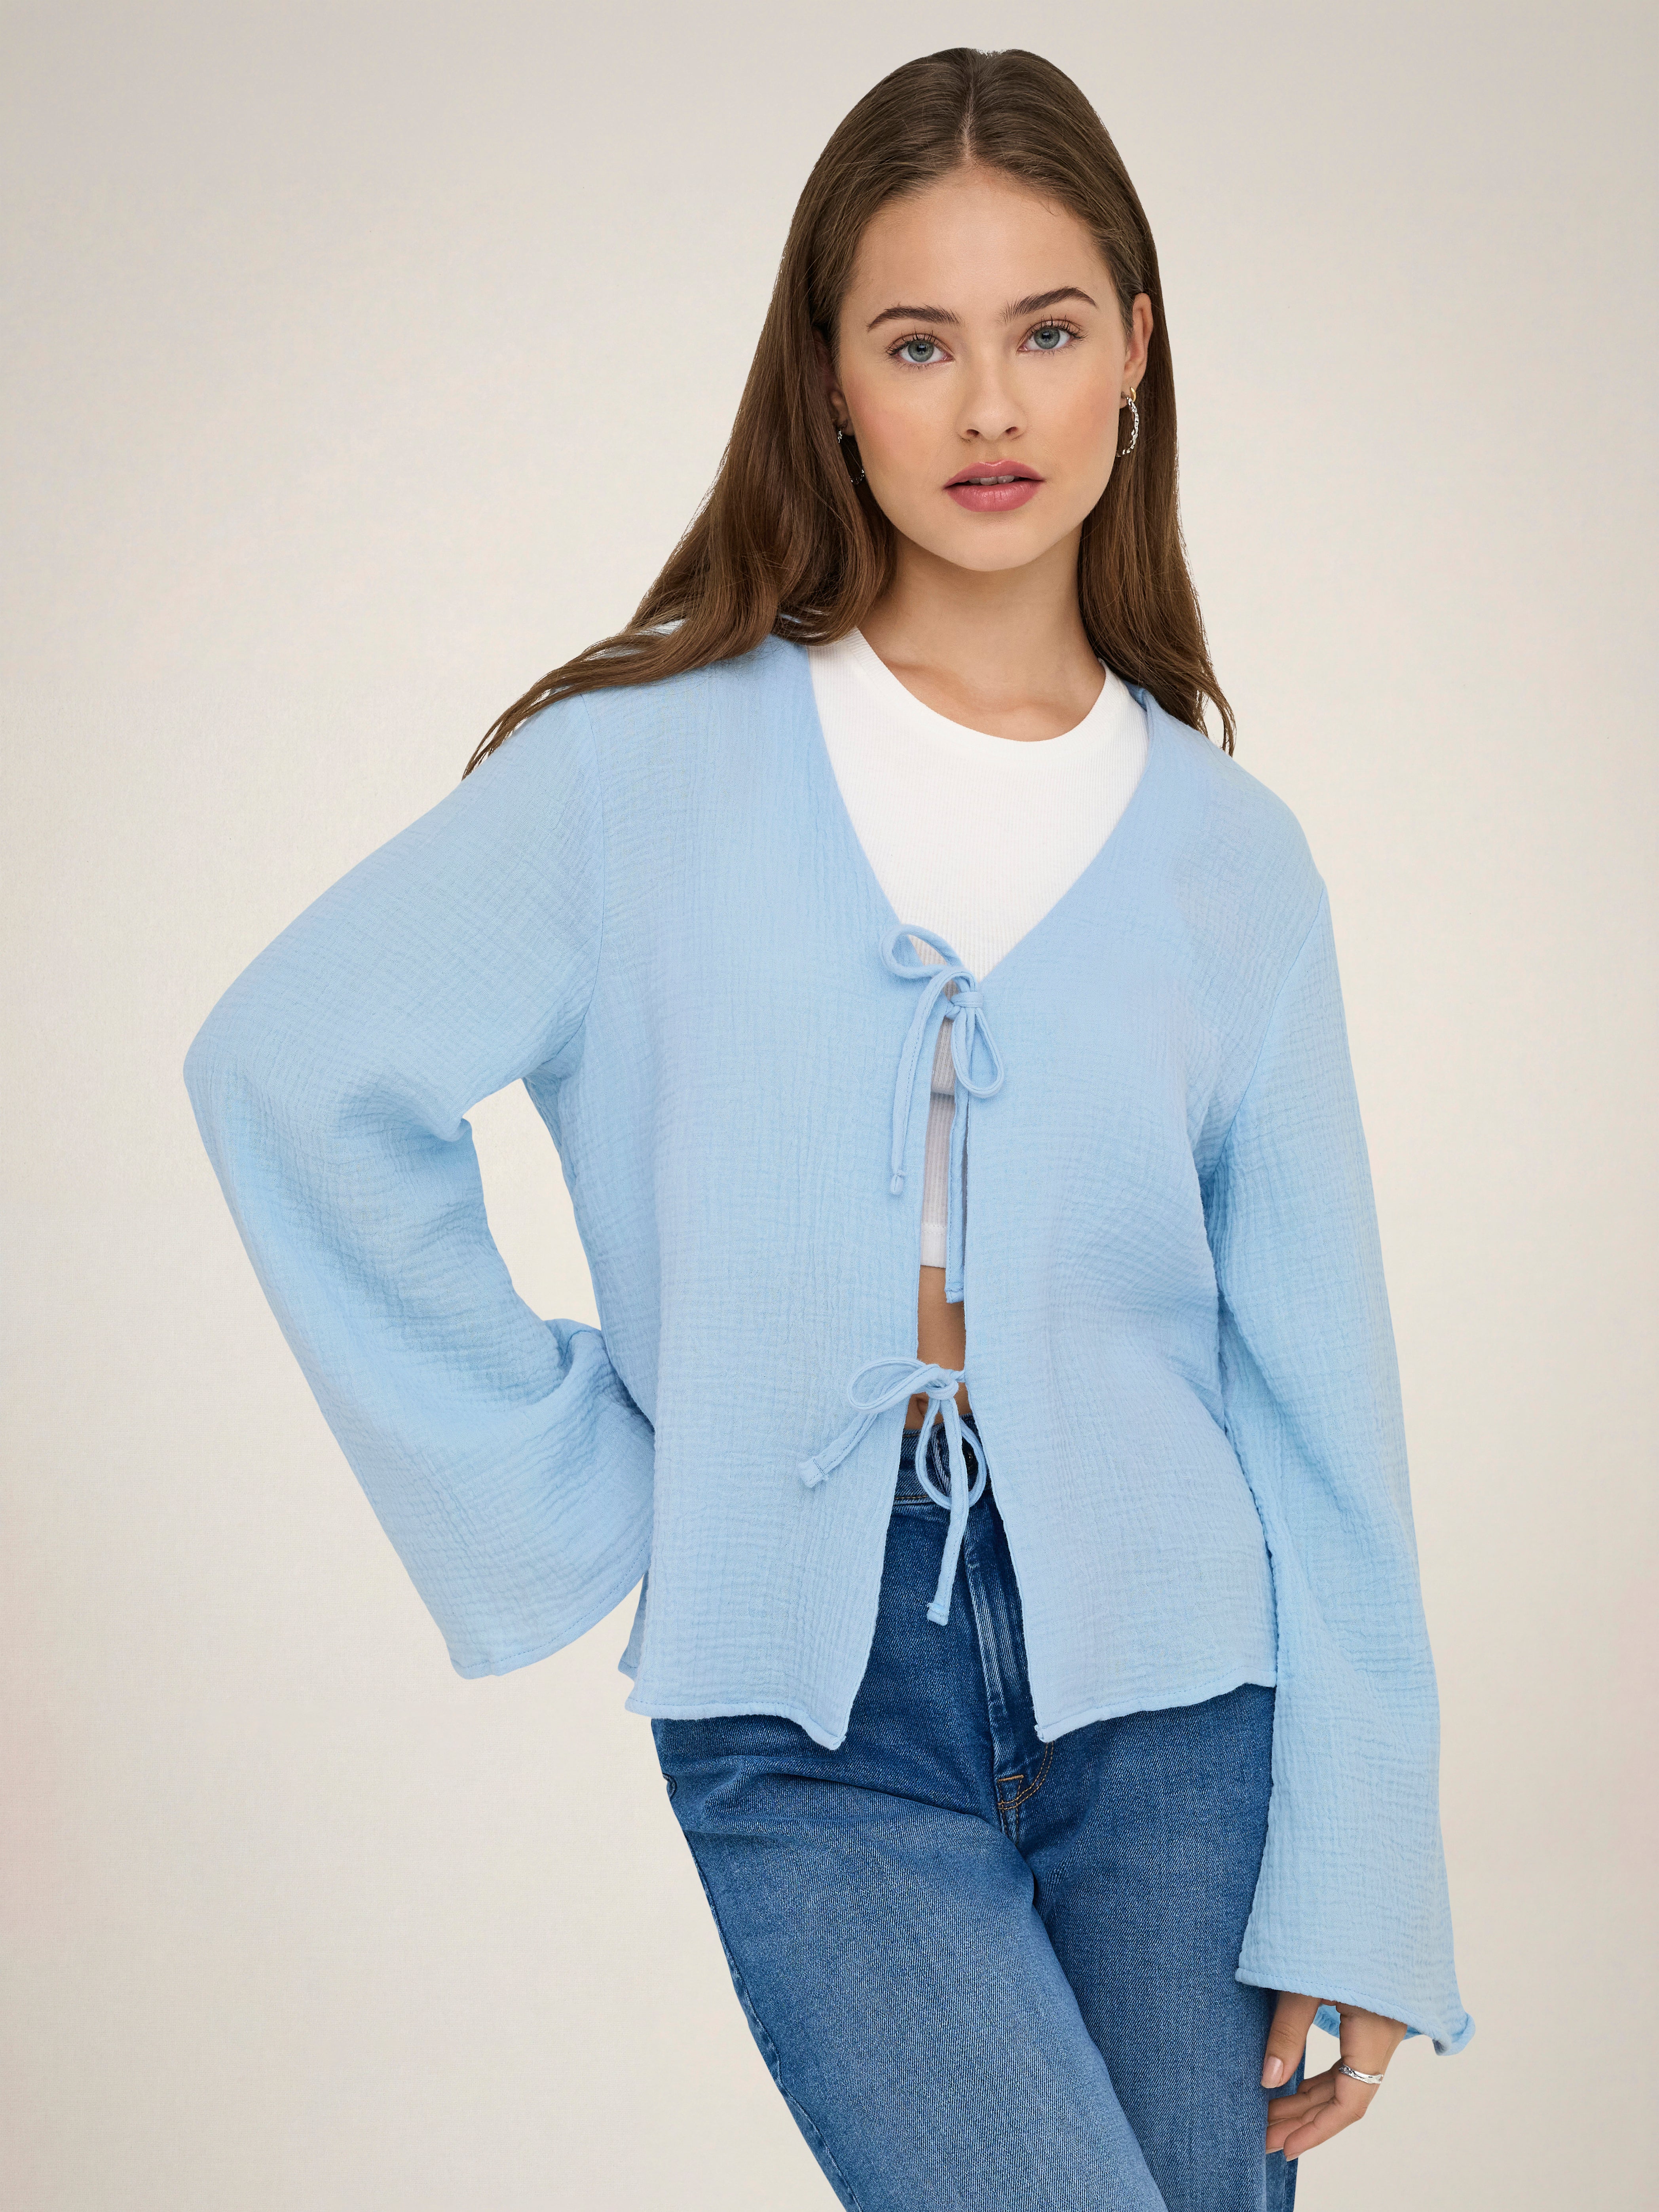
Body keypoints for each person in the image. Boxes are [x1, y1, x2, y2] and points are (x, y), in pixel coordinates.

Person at [183, 44, 1471, 2212]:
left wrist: (1363, 1862)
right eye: (918, 343)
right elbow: (291, 1069)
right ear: (830, 379)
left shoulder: (1234, 858)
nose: (990, 407)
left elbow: (1319, 1391)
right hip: (811, 1712)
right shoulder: (639, 774)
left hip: (1186, 1714)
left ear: (1136, 354)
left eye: (1045, 332)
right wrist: (592, 1481)